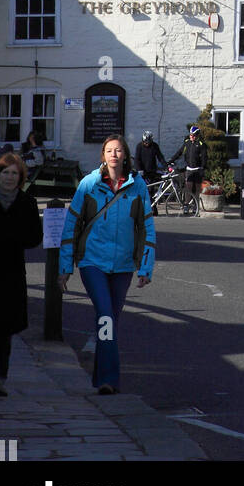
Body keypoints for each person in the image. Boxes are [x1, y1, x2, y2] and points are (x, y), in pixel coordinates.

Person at [59, 135, 155, 395]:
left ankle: (102, 376)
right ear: (103, 155)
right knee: (106, 317)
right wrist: (65, 267)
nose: (114, 154)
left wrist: (145, 267)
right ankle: (109, 379)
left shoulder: (137, 186)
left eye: (118, 150)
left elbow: (147, 227)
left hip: (123, 264)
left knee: (110, 321)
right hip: (93, 261)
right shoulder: (89, 184)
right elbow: (72, 224)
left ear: (125, 156)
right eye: (109, 150)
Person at [0, 152, 42, 396]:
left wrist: (12, 236)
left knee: (6, 327)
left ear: (20, 177)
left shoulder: (27, 204)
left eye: (14, 173)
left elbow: (34, 237)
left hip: (12, 273)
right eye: (5, 173)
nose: (10, 177)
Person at [169, 125, 208, 214]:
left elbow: (204, 158)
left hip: (198, 169)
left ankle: (195, 206)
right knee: (188, 188)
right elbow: (179, 152)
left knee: (197, 189)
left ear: (197, 135)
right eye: (190, 135)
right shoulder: (187, 143)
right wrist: (171, 160)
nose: (191, 137)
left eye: (193, 135)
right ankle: (186, 205)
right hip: (189, 169)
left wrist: (203, 168)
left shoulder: (201, 144)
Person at [134, 131, 167, 214]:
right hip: (143, 173)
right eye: (145, 142)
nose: (146, 144)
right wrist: (139, 170)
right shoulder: (139, 146)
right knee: (146, 191)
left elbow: (160, 157)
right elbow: (137, 160)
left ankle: (152, 208)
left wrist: (165, 166)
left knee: (151, 191)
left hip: (152, 171)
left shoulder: (154, 146)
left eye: (148, 142)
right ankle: (148, 208)